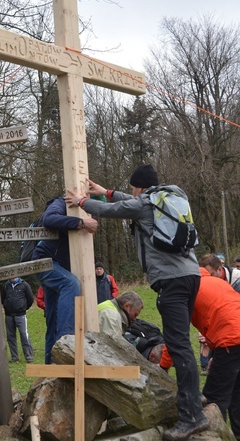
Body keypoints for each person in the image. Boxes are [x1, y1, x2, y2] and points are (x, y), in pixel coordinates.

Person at [65, 164, 209, 441]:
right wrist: (106, 191)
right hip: (191, 276)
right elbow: (130, 203)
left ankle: (193, 417)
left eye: (133, 188)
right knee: (182, 344)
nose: (131, 193)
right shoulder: (170, 198)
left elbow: (115, 210)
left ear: (141, 187)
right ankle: (194, 400)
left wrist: (82, 201)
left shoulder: (144, 203)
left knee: (178, 346)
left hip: (171, 281)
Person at [32, 196, 98, 364]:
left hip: (56, 265)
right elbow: (50, 219)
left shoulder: (84, 208)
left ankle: (51, 367)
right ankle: (66, 342)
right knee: (70, 284)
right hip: (44, 262)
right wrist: (81, 223)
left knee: (53, 320)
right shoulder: (61, 203)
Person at [191, 267, 240, 440]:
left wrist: (164, 365)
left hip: (231, 339)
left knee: (214, 399)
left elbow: (176, 334)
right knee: (236, 394)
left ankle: (215, 436)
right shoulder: (217, 282)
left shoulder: (186, 288)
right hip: (232, 336)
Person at [1, 277, 34, 363]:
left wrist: (23, 308)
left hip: (20, 315)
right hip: (9, 315)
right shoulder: (6, 286)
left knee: (24, 334)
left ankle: (29, 356)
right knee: (10, 336)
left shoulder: (24, 285)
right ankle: (14, 357)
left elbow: (30, 298)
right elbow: (2, 298)